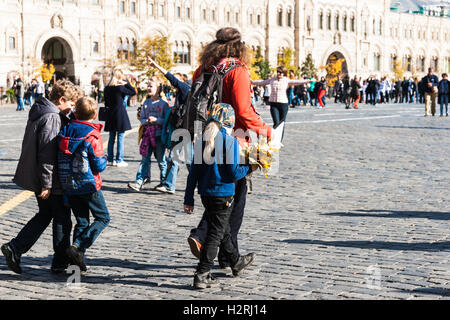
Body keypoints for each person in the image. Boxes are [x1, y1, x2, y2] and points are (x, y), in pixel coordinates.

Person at [188, 27, 273, 270]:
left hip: (201, 138)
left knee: (220, 195)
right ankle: (216, 247)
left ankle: (218, 247)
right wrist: (267, 131)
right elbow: (244, 112)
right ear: (240, 46)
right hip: (231, 141)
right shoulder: (237, 70)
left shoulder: (204, 67)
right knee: (234, 199)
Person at [1, 80, 82, 274]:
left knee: (46, 214)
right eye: (70, 105)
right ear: (61, 100)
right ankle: (58, 261)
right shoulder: (52, 117)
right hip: (49, 178)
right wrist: (46, 184)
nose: (71, 109)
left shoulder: (42, 110)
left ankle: (16, 248)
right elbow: (47, 153)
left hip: (40, 175)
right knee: (62, 218)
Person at [184, 103, 258, 289]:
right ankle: (202, 273)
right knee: (215, 234)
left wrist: (188, 199)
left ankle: (236, 261)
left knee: (222, 228)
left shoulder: (201, 140)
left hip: (206, 194)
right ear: (229, 121)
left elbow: (193, 173)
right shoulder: (229, 141)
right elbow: (233, 173)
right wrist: (250, 167)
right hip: (223, 194)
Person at [57, 96, 109, 272]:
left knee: (81, 221)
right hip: (88, 184)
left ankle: (76, 259)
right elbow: (98, 165)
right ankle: (78, 246)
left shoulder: (65, 130)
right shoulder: (92, 135)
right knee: (103, 217)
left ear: (75, 112)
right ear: (95, 115)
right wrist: (105, 159)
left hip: (69, 184)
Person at [147, 57, 192, 194]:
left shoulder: (184, 88)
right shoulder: (181, 92)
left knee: (176, 157)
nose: (172, 83)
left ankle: (169, 185)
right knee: (186, 158)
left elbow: (171, 77)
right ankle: (195, 182)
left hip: (183, 128)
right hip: (184, 127)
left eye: (175, 80)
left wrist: (156, 65)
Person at [128, 79, 169, 192]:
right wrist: (147, 121)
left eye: (151, 86)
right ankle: (139, 182)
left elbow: (166, 120)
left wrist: (156, 120)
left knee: (161, 160)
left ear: (158, 89)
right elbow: (142, 118)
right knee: (144, 160)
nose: (148, 88)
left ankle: (164, 182)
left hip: (159, 136)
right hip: (147, 136)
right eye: (148, 86)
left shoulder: (163, 104)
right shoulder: (146, 103)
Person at [252, 66, 310, 135]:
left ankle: (279, 141)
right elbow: (262, 82)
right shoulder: (272, 80)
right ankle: (275, 139)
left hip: (283, 104)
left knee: (281, 124)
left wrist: (308, 80)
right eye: (278, 72)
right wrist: (252, 81)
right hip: (273, 104)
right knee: (276, 123)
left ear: (284, 73)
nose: (279, 73)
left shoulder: (286, 80)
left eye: (281, 72)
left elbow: (297, 82)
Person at [103, 68, 136, 167]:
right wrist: (126, 83)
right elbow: (133, 92)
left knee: (111, 138)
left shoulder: (107, 88)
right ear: (119, 77)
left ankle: (110, 159)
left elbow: (106, 102)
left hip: (110, 114)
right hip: (120, 114)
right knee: (120, 137)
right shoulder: (120, 88)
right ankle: (119, 160)